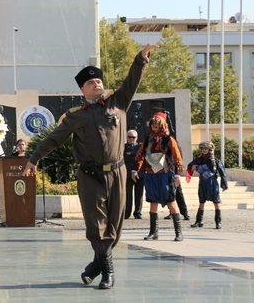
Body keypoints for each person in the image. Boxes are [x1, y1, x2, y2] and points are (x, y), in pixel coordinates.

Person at [24, 44, 157, 290]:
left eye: (98, 80)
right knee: (97, 226)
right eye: (91, 82)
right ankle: (108, 271)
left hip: (118, 173)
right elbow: (54, 140)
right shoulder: (76, 116)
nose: (97, 84)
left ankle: (95, 266)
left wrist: (140, 59)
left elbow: (132, 80)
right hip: (90, 176)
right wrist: (33, 159)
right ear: (83, 90)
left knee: (115, 228)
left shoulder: (118, 103)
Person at [133, 111, 184, 242]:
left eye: (157, 123)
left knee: (171, 202)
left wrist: (178, 174)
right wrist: (136, 170)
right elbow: (140, 156)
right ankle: (153, 232)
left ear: (163, 124)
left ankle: (179, 233)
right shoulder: (148, 139)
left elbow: (177, 157)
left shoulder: (169, 139)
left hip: (165, 175)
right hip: (151, 175)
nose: (155, 125)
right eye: (153, 123)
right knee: (152, 202)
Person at [187, 141, 228, 229]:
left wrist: (224, 184)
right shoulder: (199, 159)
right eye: (202, 149)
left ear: (210, 149)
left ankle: (218, 222)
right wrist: (193, 166)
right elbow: (190, 165)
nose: (204, 150)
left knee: (216, 202)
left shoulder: (215, 160)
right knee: (201, 201)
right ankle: (199, 221)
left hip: (212, 183)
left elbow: (220, 172)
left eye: (206, 149)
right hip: (202, 183)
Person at [124, 130, 143, 219]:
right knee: (128, 195)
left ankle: (138, 213)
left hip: (139, 174)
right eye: (129, 137)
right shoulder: (123, 148)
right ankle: (127, 213)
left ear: (137, 138)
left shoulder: (141, 147)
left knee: (139, 195)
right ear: (126, 137)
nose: (131, 139)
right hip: (127, 174)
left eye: (133, 137)